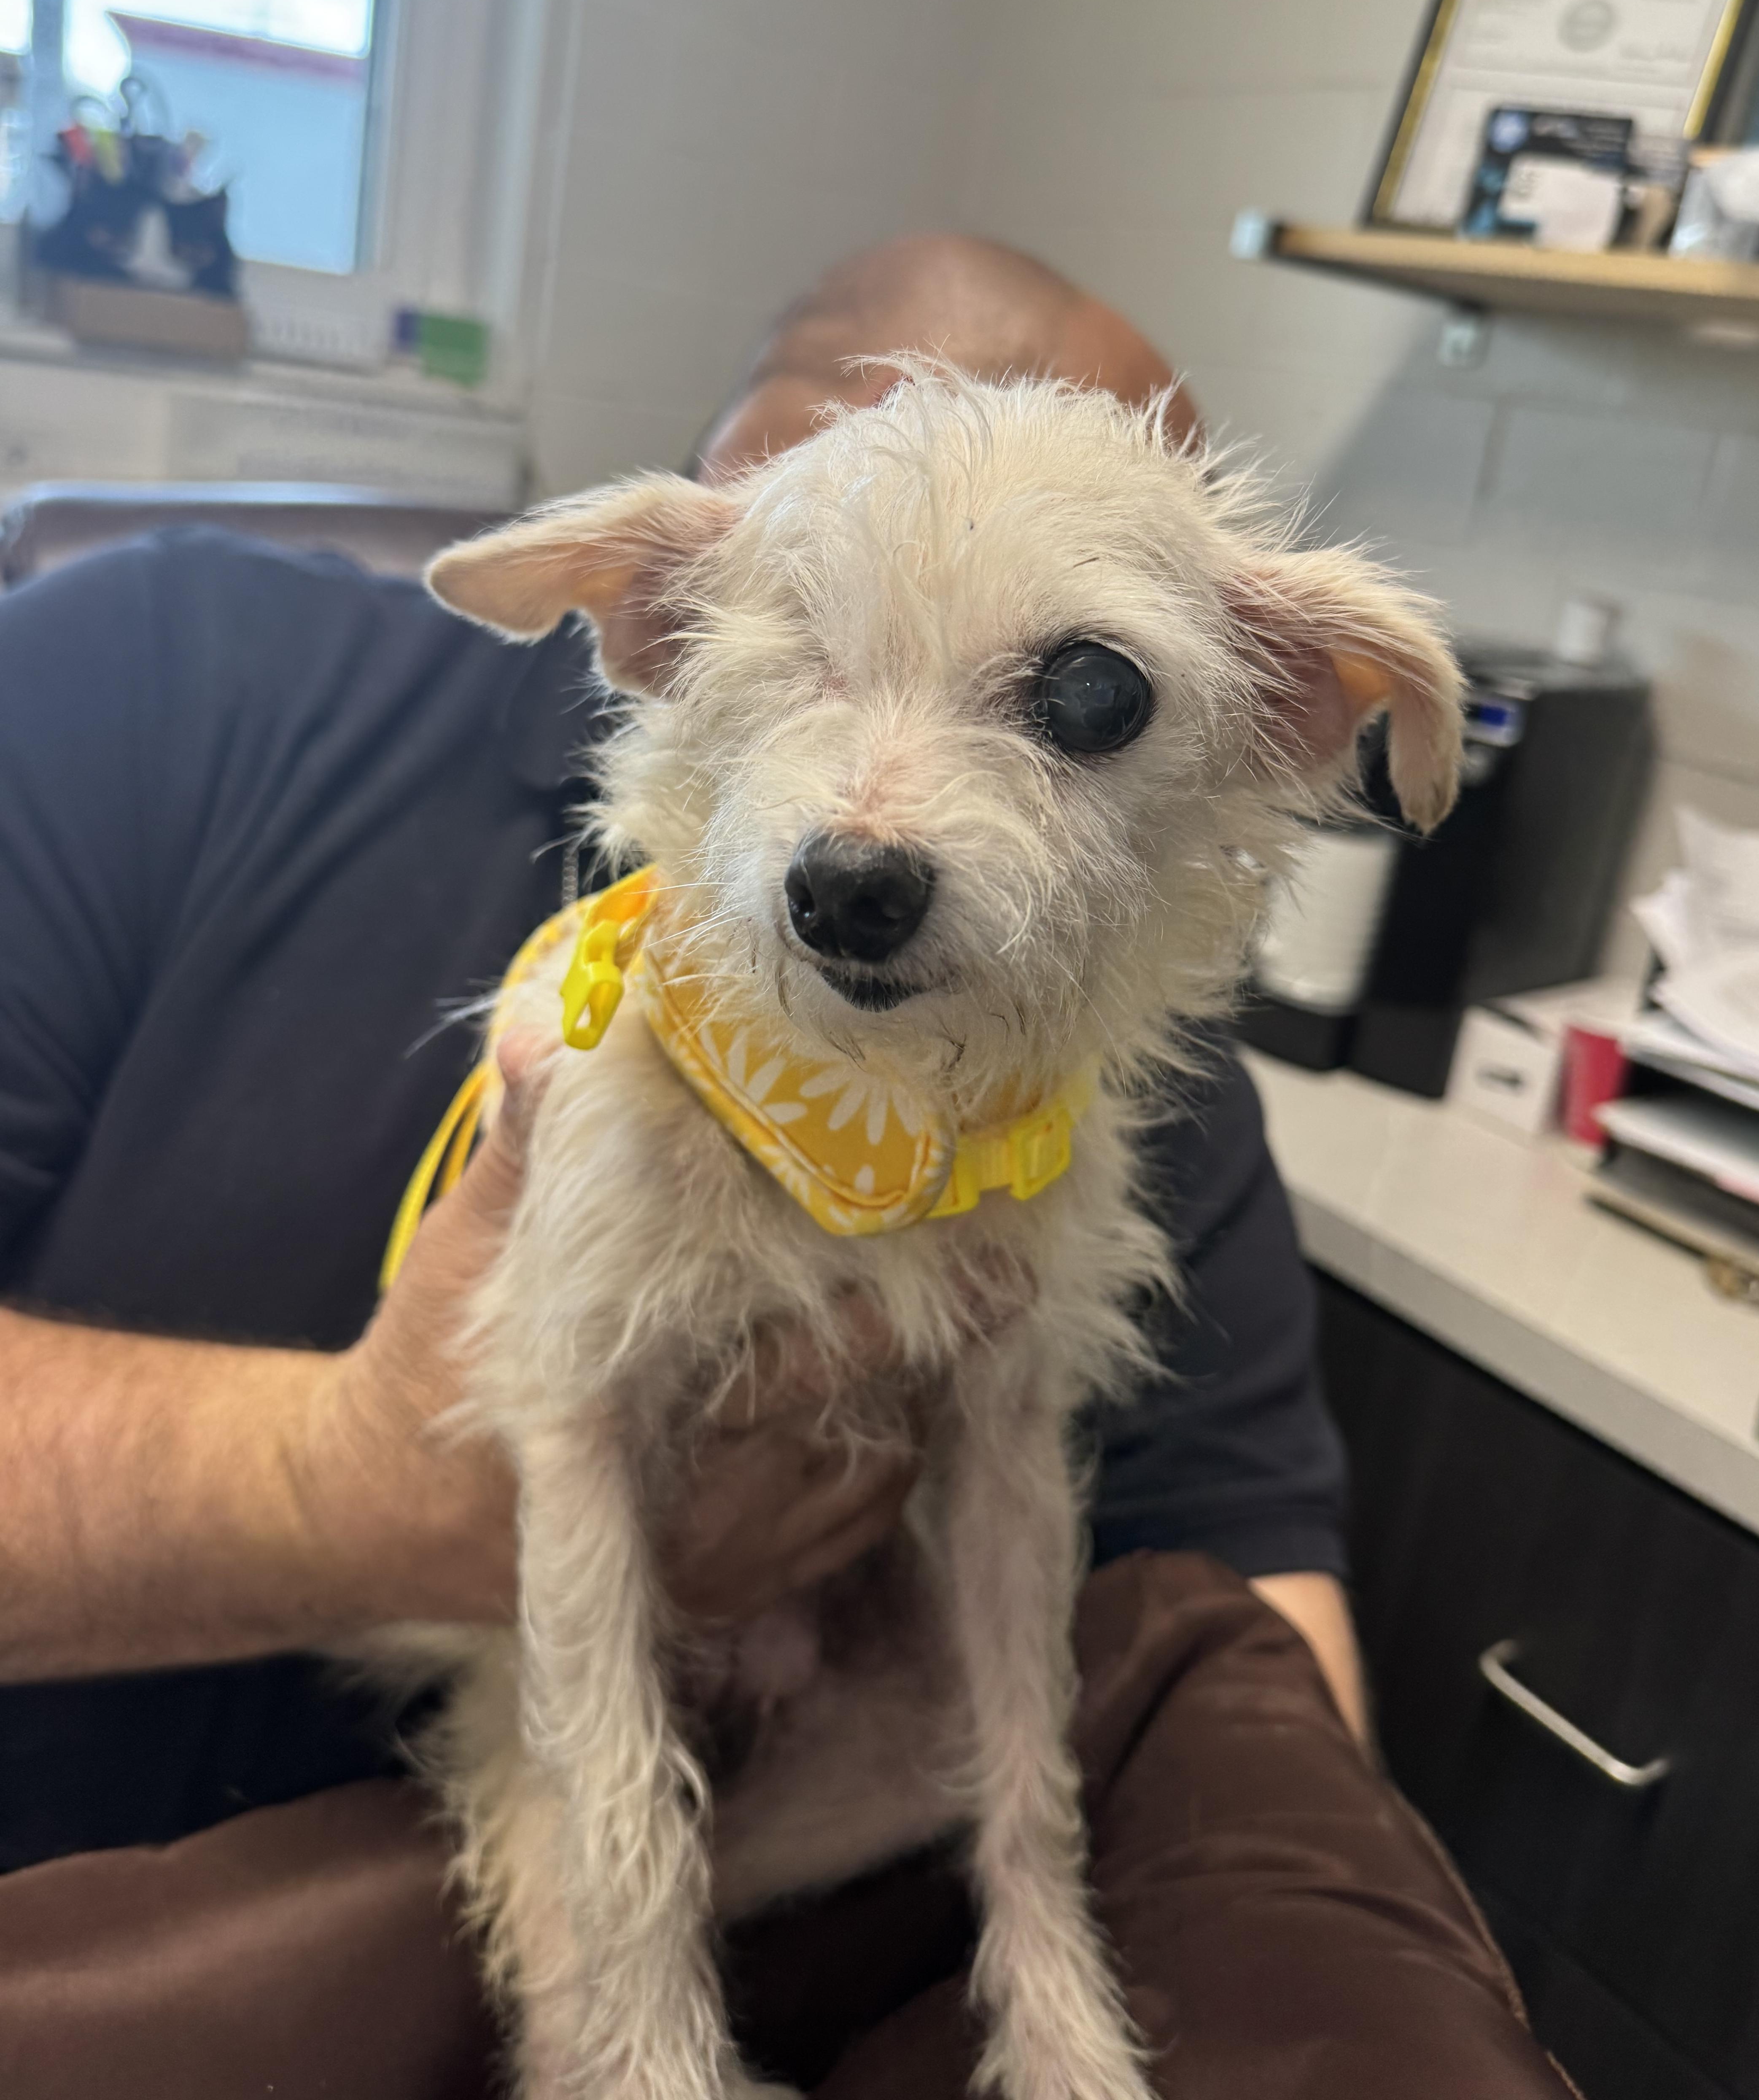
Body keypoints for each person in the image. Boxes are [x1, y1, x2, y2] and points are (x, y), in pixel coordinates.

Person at [0, 237, 1572, 2098]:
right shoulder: (152, 674)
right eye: (807, 649)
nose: (873, 835)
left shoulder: (1071, 1062)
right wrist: (344, 1483)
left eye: (1076, 699)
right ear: (656, 612)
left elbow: (1232, 1604)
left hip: (825, 1846)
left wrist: (1108, 1969)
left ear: (1281, 709)